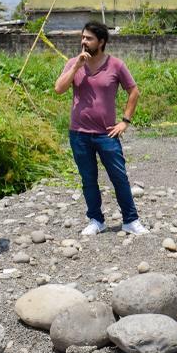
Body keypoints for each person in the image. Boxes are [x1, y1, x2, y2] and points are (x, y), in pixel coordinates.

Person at [55, 21, 148, 236]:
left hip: (107, 133)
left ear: (101, 42)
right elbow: (59, 89)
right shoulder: (73, 63)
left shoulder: (115, 65)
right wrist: (77, 66)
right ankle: (96, 220)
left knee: (119, 176)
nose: (84, 41)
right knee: (88, 179)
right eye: (83, 37)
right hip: (79, 133)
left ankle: (130, 220)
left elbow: (134, 91)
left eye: (89, 38)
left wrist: (125, 121)